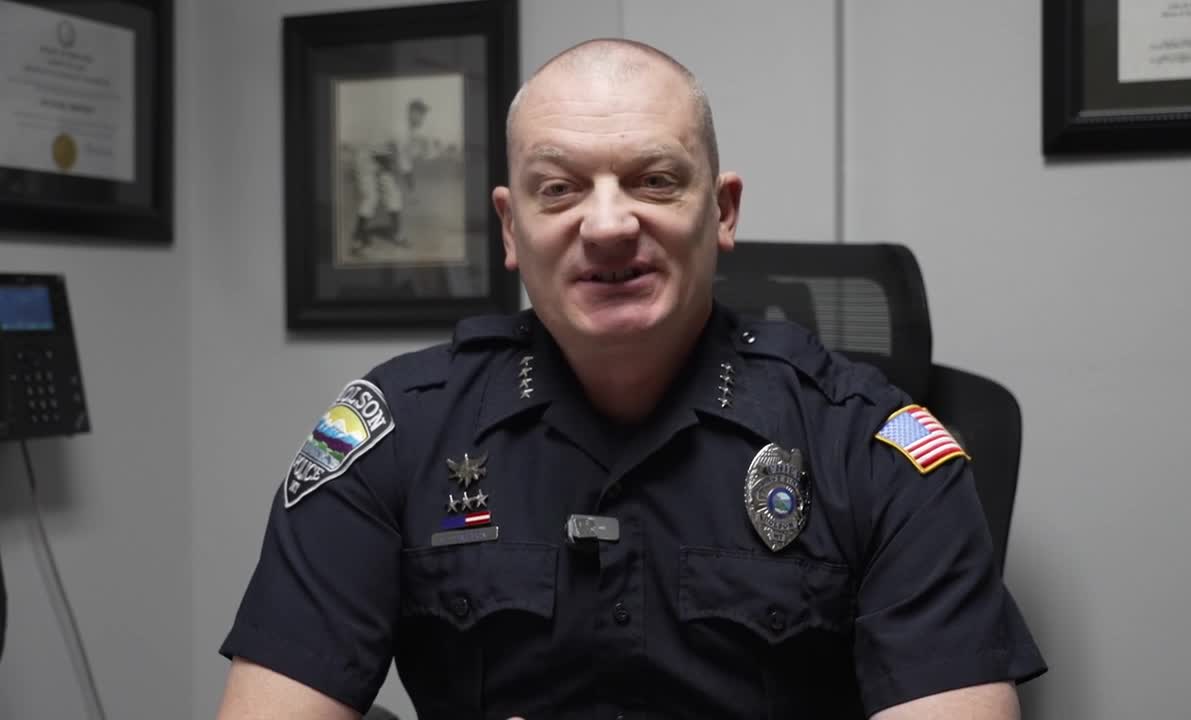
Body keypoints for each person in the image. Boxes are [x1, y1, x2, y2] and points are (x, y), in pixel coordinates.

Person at [217, 38, 1046, 719]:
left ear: (721, 211)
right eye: (558, 189)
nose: (609, 225)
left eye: (655, 180)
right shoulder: (401, 433)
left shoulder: (867, 447)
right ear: (511, 228)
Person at [350, 99, 431, 255]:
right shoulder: (400, 129)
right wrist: (412, 189)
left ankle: (397, 235)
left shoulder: (409, 131)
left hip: (383, 162)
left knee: (394, 196)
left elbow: (403, 157)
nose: (422, 118)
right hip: (366, 158)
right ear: (411, 113)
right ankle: (357, 241)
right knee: (370, 198)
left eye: (423, 114)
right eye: (419, 113)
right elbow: (403, 162)